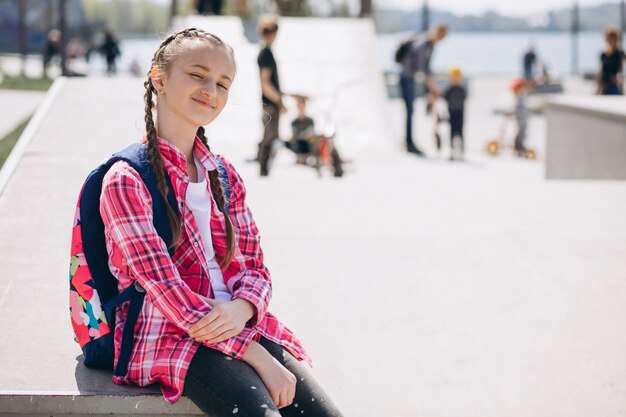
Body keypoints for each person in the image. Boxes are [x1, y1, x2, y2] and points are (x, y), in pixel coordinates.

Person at [98, 27, 343, 417]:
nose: (210, 89)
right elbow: (166, 291)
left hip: (240, 323)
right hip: (168, 336)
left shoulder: (224, 175)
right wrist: (257, 355)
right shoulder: (127, 179)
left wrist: (242, 309)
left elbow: (256, 268)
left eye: (223, 83)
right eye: (197, 75)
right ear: (158, 79)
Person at [399, 23, 449, 156]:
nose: (441, 39)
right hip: (407, 77)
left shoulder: (425, 42)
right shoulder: (425, 44)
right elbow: (423, 69)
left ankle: (408, 141)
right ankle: (409, 143)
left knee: (410, 111)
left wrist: (431, 87)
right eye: (441, 35)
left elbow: (424, 69)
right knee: (410, 111)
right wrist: (434, 87)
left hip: (409, 77)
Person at [256, 14, 286, 176]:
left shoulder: (267, 52)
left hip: (270, 103)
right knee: (269, 137)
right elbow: (265, 84)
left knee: (270, 136)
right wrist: (279, 101)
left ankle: (264, 167)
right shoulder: (265, 54)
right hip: (269, 104)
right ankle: (263, 168)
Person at [443, 66, 466, 161]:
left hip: (459, 114)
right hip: (452, 114)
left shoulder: (461, 89)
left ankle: (460, 151)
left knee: (459, 133)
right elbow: (444, 97)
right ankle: (453, 151)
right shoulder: (451, 89)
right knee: (453, 133)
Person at [597, 25, 626, 95]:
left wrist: (620, 78)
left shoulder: (619, 53)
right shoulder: (603, 54)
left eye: (612, 38)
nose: (610, 40)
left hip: (615, 86)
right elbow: (601, 71)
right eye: (608, 38)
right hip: (604, 85)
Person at [288, 95, 315, 164]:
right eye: (299, 104)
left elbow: (311, 135)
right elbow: (294, 136)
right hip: (298, 145)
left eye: (302, 103)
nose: (300, 106)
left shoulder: (310, 121)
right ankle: (301, 157)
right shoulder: (294, 122)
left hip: (308, 144)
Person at [510, 77, 529, 156]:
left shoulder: (522, 97)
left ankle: (519, 146)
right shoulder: (519, 98)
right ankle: (518, 147)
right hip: (521, 117)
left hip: (523, 117)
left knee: (523, 132)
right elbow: (516, 109)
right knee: (521, 132)